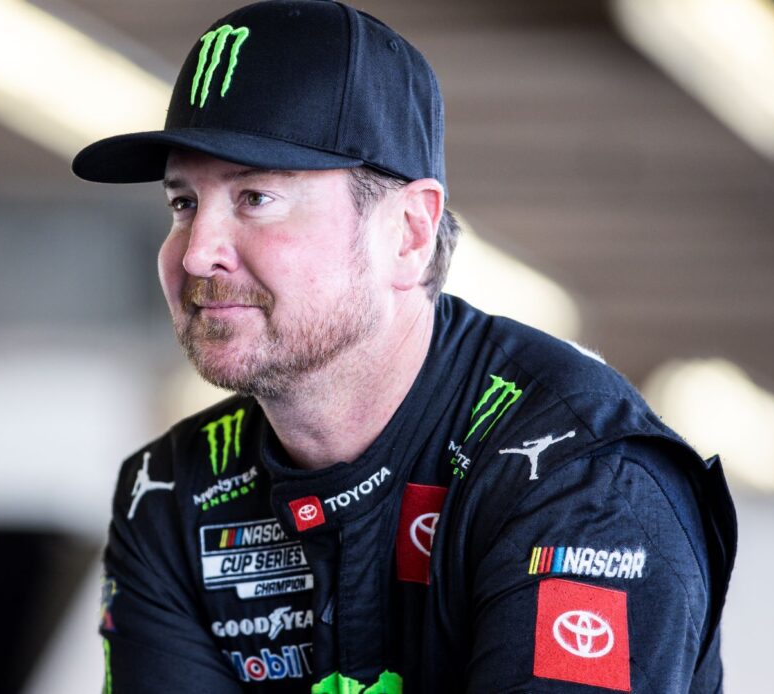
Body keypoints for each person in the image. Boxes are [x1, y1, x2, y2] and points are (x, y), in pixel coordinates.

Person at [73, 1, 737, 692]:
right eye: (182, 203)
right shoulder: (175, 494)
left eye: (256, 198)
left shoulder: (584, 479)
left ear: (409, 233)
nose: (199, 252)